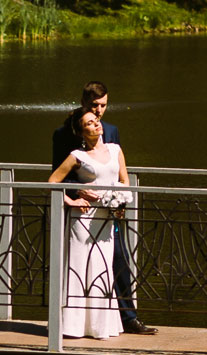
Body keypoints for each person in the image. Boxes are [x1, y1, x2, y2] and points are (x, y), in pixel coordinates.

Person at [51, 81, 157, 334]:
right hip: (84, 212)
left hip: (111, 212)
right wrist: (77, 191)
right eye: (94, 106)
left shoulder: (112, 131)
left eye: (103, 106)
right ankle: (77, 323)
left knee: (119, 259)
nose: (99, 112)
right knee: (83, 265)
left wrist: (120, 201)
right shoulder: (63, 133)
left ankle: (127, 318)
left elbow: (119, 173)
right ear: (83, 103)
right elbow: (58, 175)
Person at [48, 109, 129, 339]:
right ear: (82, 132)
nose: (96, 125)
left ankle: (101, 327)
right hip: (82, 222)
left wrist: (119, 202)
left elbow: (125, 181)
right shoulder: (77, 155)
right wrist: (72, 200)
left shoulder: (115, 150)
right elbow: (53, 182)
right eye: (90, 124)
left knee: (102, 270)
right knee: (80, 269)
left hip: (105, 220)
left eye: (97, 121)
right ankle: (72, 327)